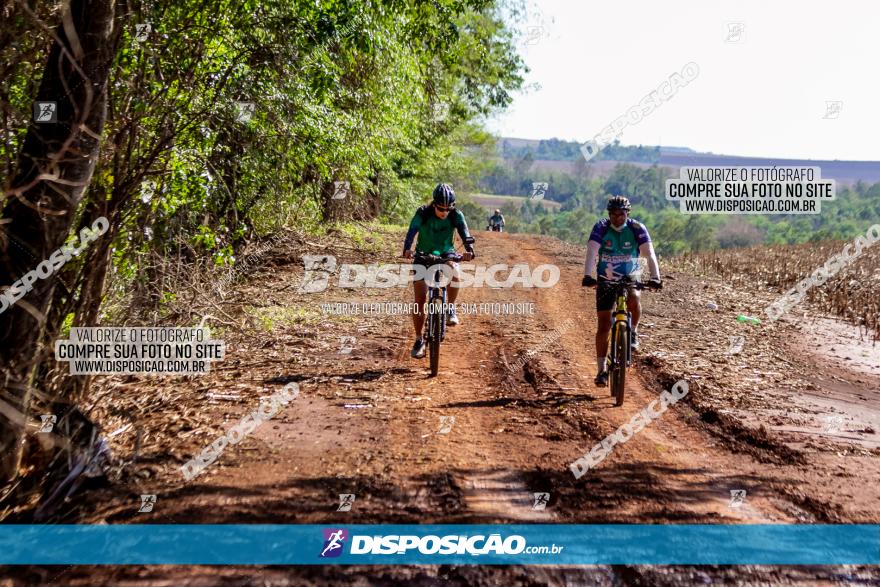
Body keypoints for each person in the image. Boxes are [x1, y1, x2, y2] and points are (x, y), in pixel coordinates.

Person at [581, 196, 662, 386]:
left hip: (630, 273)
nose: (617, 218)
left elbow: (649, 254)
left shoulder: (637, 228)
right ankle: (601, 370)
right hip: (606, 276)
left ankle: (632, 331)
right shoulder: (601, 227)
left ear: (628, 214)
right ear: (609, 214)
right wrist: (587, 275)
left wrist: (656, 277)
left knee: (634, 296)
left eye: (621, 214)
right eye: (613, 215)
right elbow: (592, 252)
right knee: (603, 325)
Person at [403, 183, 475, 358]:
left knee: (454, 272)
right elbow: (412, 231)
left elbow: (465, 233)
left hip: (447, 252)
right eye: (441, 209)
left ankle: (450, 308)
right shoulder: (423, 213)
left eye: (448, 209)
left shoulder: (456, 215)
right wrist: (407, 249)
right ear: (434, 204)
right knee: (420, 300)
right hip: (423, 253)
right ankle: (419, 339)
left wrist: (469, 250)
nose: (444, 212)